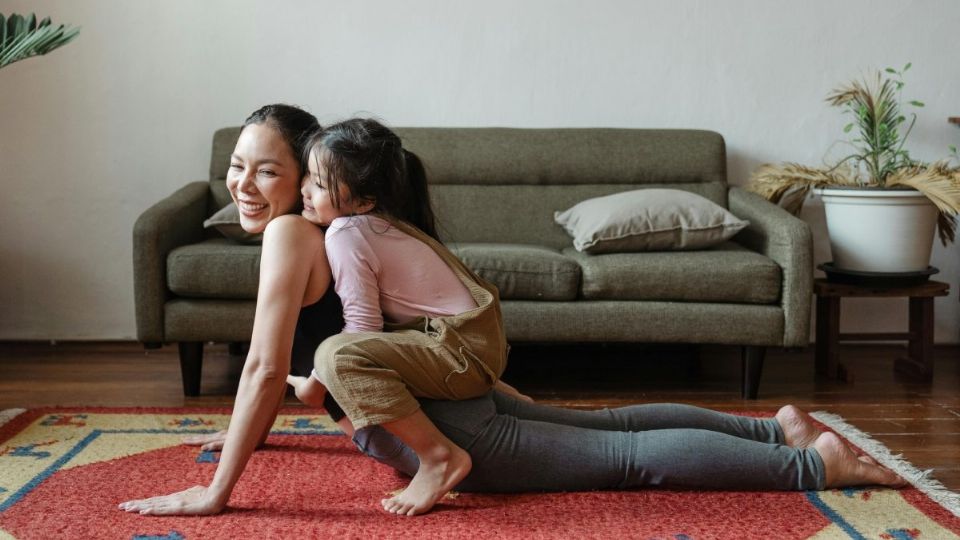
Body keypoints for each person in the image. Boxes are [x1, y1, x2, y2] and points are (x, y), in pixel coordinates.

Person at [119, 110, 906, 519]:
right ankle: (778, 430)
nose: (245, 186)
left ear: (313, 179)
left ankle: (810, 464)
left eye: (268, 170)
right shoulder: (349, 228)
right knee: (616, 430)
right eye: (235, 168)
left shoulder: (303, 233)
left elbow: (278, 364)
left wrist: (217, 490)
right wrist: (254, 420)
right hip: (448, 391)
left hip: (447, 427)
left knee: (627, 461)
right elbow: (317, 359)